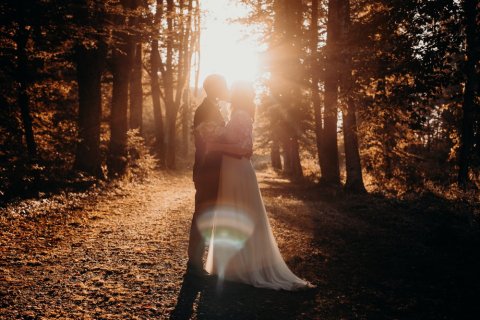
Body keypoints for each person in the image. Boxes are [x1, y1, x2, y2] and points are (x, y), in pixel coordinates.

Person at [201, 81, 315, 291]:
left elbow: (245, 148)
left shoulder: (241, 116)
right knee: (232, 215)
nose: (229, 92)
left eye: (232, 90)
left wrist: (215, 145)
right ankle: (234, 266)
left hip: (237, 169)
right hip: (230, 171)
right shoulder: (238, 115)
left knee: (241, 215)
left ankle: (247, 268)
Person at [186, 74, 250, 277]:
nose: (227, 89)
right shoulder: (205, 110)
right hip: (207, 170)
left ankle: (199, 263)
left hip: (216, 169)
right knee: (203, 214)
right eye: (223, 86)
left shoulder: (213, 108)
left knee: (210, 215)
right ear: (214, 89)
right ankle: (194, 265)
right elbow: (208, 143)